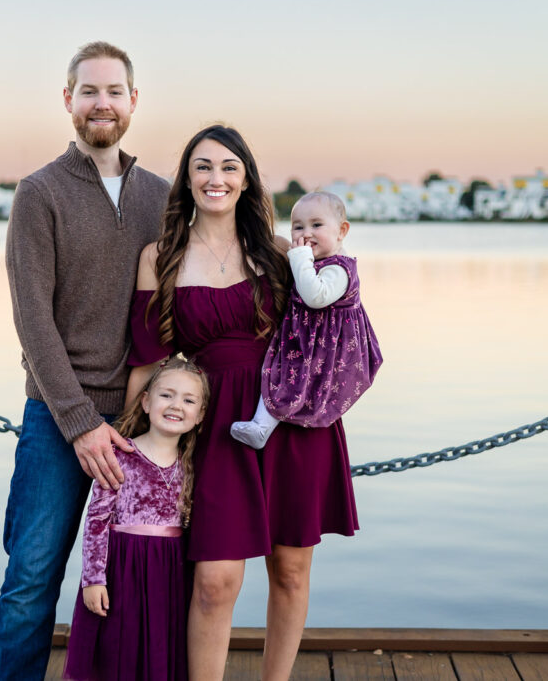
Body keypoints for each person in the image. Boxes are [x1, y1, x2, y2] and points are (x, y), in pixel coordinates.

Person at [126, 125, 358, 681]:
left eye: (230, 167)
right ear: (186, 178)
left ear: (246, 178)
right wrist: (127, 444)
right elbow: (146, 359)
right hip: (217, 426)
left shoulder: (282, 253)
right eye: (204, 166)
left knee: (292, 571)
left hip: (293, 422)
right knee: (215, 581)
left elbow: (334, 325)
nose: (217, 178)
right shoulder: (159, 258)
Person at [0, 41, 170, 681]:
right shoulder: (38, 193)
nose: (103, 104)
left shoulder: (163, 195)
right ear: (68, 100)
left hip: (143, 422)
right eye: (89, 91)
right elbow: (31, 319)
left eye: (114, 92)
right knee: (32, 577)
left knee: (140, 578)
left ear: (133, 102)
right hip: (56, 420)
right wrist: (78, 422)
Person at [64, 357, 208, 681]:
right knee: (118, 650)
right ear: (145, 402)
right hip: (121, 568)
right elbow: (97, 520)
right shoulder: (121, 456)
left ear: (200, 416)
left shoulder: (193, 465)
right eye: (166, 395)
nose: (176, 406)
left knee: (160, 649)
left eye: (188, 400)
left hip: (169, 572)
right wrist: (93, 579)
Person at [230, 191, 382, 449]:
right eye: (298, 227)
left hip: (324, 348)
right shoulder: (318, 261)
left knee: (293, 380)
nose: (306, 233)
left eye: (317, 225)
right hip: (304, 339)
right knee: (279, 374)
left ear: (341, 231)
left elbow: (315, 296)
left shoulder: (338, 269)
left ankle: (265, 426)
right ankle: (261, 425)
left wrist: (300, 258)